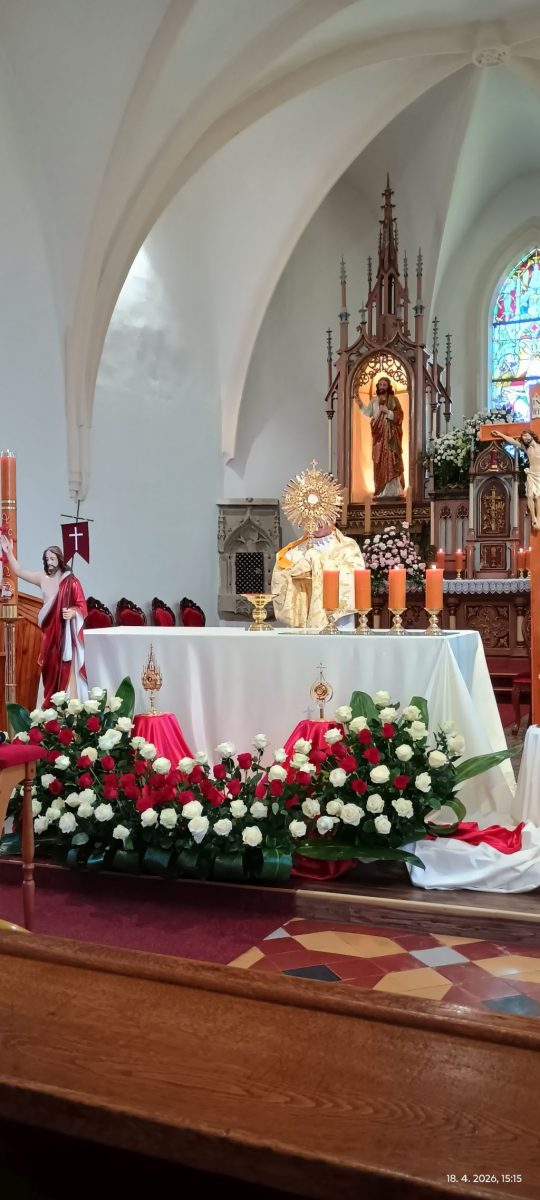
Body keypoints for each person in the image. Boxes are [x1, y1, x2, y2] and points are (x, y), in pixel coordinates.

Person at [0, 536, 88, 704]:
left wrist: (73, 612)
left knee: (64, 666)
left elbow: (82, 605)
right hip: (49, 632)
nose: (49, 562)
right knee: (49, 667)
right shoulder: (42, 577)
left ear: (60, 559)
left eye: (52, 558)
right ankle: (50, 706)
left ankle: (68, 704)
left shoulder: (71, 582)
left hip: (65, 634)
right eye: (47, 559)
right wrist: (9, 553)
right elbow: (20, 571)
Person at [272, 524, 364, 630]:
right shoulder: (294, 551)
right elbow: (280, 578)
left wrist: (317, 560)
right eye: (311, 518)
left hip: (338, 619)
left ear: (332, 518)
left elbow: (353, 576)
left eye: (321, 518)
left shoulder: (347, 546)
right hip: (304, 615)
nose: (316, 522)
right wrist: (300, 569)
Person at [356, 375, 405, 497]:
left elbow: (400, 415)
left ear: (388, 387)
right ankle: (381, 491)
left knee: (391, 460)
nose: (382, 387)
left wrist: (388, 412)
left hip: (391, 438)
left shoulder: (394, 399)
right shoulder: (374, 400)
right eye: (380, 384)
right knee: (378, 460)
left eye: (384, 384)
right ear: (378, 387)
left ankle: (393, 491)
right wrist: (359, 402)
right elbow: (367, 412)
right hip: (378, 436)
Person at [492, 429, 540, 530]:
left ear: (531, 435)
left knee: (537, 497)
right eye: (523, 437)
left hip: (539, 475)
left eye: (526, 435)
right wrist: (501, 434)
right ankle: (533, 518)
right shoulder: (526, 448)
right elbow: (512, 441)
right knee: (530, 495)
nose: (525, 438)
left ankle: (538, 518)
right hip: (531, 474)